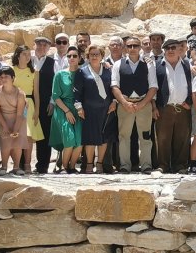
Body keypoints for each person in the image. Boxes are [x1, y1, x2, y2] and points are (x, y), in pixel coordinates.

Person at [112, 36, 156, 172]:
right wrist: (124, 103)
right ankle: (125, 166)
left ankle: (146, 165)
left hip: (144, 104)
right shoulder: (118, 64)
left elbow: (153, 87)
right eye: (129, 46)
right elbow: (114, 86)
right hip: (125, 105)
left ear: (140, 47)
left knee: (145, 136)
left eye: (135, 46)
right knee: (124, 136)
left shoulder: (149, 64)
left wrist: (143, 103)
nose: (132, 49)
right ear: (125, 47)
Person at [75, 44, 116, 173]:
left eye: (97, 54)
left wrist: (114, 102)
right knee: (90, 138)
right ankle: (88, 164)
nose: (94, 56)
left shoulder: (108, 70)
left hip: (106, 109)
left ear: (102, 56)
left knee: (104, 138)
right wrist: (79, 107)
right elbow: (77, 92)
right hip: (89, 110)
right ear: (87, 56)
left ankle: (99, 164)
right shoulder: (82, 71)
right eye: (92, 54)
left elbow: (114, 88)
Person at [155, 39, 194, 174]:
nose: (170, 50)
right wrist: (154, 107)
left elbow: (192, 86)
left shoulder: (187, 65)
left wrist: (189, 102)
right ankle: (163, 165)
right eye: (167, 48)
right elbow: (153, 88)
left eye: (173, 48)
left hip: (183, 108)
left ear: (179, 49)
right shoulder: (157, 66)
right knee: (163, 137)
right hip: (164, 108)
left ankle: (180, 165)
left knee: (182, 138)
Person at [49, 47, 83, 173]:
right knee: (69, 140)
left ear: (79, 58)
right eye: (69, 56)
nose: (72, 58)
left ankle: (72, 167)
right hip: (63, 109)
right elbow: (56, 96)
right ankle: (64, 167)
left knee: (79, 142)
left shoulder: (83, 73)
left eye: (75, 56)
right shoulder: (60, 74)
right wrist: (67, 111)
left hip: (79, 109)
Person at [10, 46, 42, 172]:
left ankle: (28, 165)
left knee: (28, 136)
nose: (27, 57)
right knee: (14, 135)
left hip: (29, 104)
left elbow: (36, 93)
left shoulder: (34, 72)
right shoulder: (11, 70)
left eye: (29, 54)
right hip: (13, 104)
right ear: (18, 56)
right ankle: (16, 165)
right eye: (24, 54)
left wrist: (37, 111)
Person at [0, 66, 29, 175]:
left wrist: (15, 129)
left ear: (13, 78)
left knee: (17, 144)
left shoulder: (20, 93)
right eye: (1, 77)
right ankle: (4, 167)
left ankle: (16, 167)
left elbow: (20, 113)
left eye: (6, 76)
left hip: (18, 120)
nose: (3, 79)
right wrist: (4, 125)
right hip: (3, 119)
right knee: (5, 144)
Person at [30, 36, 57, 174]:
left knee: (45, 134)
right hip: (28, 101)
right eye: (38, 44)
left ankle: (42, 165)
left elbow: (55, 84)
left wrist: (53, 102)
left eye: (44, 44)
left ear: (48, 47)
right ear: (34, 45)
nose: (41, 47)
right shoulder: (27, 60)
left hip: (46, 102)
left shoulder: (53, 62)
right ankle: (24, 164)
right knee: (27, 133)